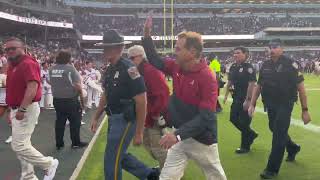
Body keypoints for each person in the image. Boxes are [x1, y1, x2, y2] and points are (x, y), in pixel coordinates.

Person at [142, 16, 227, 180]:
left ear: (192, 52)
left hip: (201, 139)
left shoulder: (207, 77)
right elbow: (155, 60)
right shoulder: (176, 67)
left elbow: (206, 117)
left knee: (215, 176)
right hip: (180, 134)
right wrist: (147, 35)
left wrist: (177, 135)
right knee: (167, 176)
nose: (175, 51)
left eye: (179, 48)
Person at [90, 29, 160, 180]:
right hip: (113, 118)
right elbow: (105, 94)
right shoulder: (110, 69)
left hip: (126, 119)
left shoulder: (129, 68)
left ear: (118, 48)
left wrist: (139, 132)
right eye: (104, 46)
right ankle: (149, 175)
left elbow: (142, 100)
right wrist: (96, 117)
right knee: (118, 155)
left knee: (111, 159)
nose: (104, 50)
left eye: (108, 47)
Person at [248, 39, 312, 179]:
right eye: (270, 47)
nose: (272, 50)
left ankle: (272, 169)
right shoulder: (265, 65)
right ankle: (293, 148)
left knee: (278, 133)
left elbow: (301, 88)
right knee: (274, 127)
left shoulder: (290, 64)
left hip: (285, 103)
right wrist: (252, 104)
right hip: (270, 104)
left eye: (275, 47)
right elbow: (258, 86)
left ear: (282, 49)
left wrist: (305, 110)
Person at [5, 37, 59, 180]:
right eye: (7, 49)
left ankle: (48, 164)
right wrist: (11, 110)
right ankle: (29, 176)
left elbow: (32, 87)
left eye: (13, 48)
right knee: (23, 145)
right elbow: (13, 90)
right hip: (17, 108)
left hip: (26, 108)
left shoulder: (27, 63)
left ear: (23, 48)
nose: (9, 51)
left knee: (19, 145)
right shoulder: (13, 65)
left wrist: (21, 109)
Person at [128, 45, 170, 169]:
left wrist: (155, 113)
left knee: (158, 147)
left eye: (132, 58)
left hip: (155, 115)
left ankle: (169, 173)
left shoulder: (150, 70)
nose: (130, 61)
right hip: (148, 115)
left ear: (141, 56)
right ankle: (168, 167)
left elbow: (163, 93)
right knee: (147, 143)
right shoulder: (141, 70)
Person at [49, 50, 88, 150]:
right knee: (75, 122)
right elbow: (78, 87)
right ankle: (75, 143)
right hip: (70, 100)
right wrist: (83, 102)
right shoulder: (70, 69)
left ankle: (59, 143)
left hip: (57, 99)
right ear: (68, 58)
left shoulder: (51, 69)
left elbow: (49, 81)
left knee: (60, 122)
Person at [223, 47, 258, 154]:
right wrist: (225, 95)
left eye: (238, 53)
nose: (235, 55)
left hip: (247, 98)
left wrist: (248, 100)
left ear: (245, 54)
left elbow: (252, 84)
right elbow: (230, 81)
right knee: (233, 118)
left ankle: (245, 146)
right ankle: (251, 134)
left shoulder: (249, 67)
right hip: (236, 97)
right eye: (234, 53)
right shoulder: (233, 66)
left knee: (244, 121)